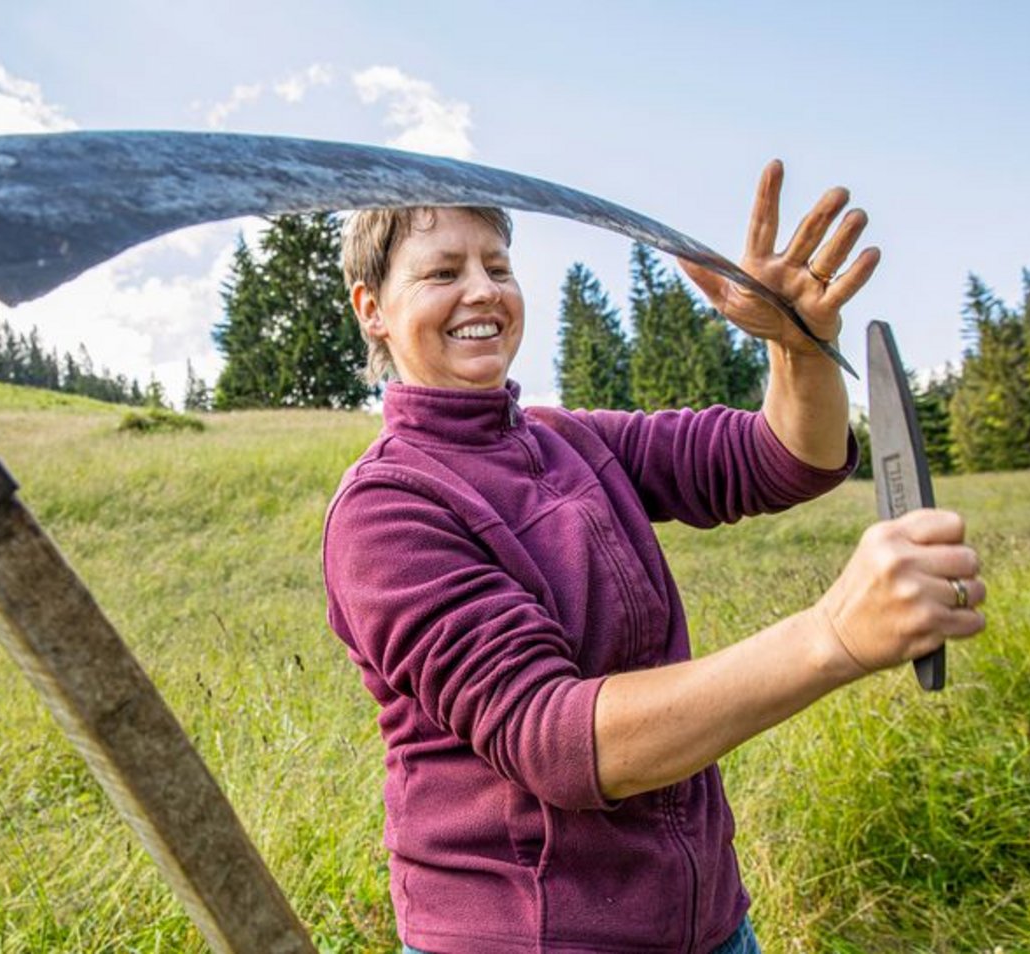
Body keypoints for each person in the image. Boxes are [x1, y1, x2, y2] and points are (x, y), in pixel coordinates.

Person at [321, 161, 987, 954]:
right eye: (442, 271)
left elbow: (783, 458)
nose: (483, 291)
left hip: (707, 925)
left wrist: (799, 348)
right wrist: (834, 636)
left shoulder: (569, 440)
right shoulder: (386, 510)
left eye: (497, 266)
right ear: (374, 310)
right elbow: (556, 739)